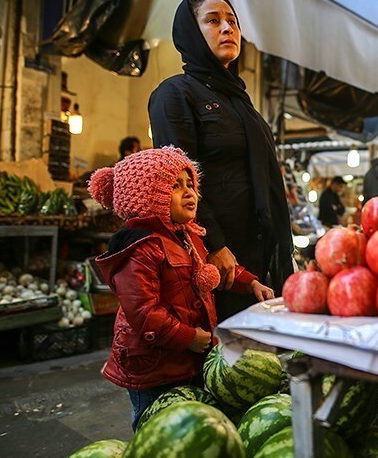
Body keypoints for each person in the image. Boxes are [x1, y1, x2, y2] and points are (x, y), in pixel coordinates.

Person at [88, 146, 274, 431]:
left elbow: (210, 268)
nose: (189, 193)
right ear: (148, 196)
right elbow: (143, 313)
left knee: (186, 427)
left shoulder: (187, 236)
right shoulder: (139, 249)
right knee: (155, 426)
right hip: (153, 367)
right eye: (175, 186)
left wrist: (250, 282)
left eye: (190, 184)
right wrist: (187, 337)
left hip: (187, 359)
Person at [148, 0, 293, 321]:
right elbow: (178, 181)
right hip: (215, 262)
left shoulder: (241, 103)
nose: (228, 28)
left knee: (255, 349)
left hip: (255, 257)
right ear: (191, 32)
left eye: (233, 21)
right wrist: (214, 244)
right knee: (219, 347)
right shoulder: (175, 94)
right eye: (213, 21)